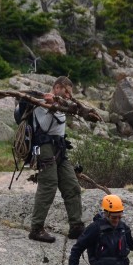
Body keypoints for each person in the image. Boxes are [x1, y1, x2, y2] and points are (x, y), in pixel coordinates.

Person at [26, 76, 85, 243]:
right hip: (44, 147)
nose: (68, 96)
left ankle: (76, 226)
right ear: (57, 88)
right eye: (66, 92)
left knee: (72, 185)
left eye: (69, 93)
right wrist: (52, 106)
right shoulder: (39, 103)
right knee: (49, 184)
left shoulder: (63, 105)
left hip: (60, 147)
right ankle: (36, 228)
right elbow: (44, 126)